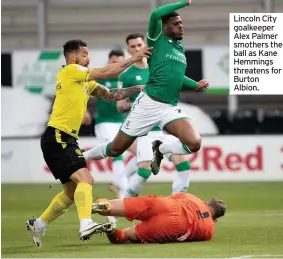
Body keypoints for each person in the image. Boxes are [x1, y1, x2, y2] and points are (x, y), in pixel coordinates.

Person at [26, 39, 151, 247]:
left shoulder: (83, 81)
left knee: (71, 192)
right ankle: (85, 224)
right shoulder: (70, 71)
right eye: (85, 54)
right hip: (58, 136)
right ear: (73, 56)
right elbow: (104, 73)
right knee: (86, 180)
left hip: (65, 138)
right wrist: (134, 59)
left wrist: (138, 88)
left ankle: (38, 224)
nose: (88, 58)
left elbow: (111, 94)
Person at [83, 0, 209, 176]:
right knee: (116, 149)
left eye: (181, 23)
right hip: (148, 105)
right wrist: (184, 2)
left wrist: (195, 84)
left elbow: (176, 76)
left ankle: (161, 149)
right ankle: (83, 156)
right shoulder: (156, 39)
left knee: (194, 143)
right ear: (164, 27)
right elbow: (155, 14)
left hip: (169, 107)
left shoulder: (179, 48)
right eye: (176, 23)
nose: (181, 26)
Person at [117, 33, 191, 197]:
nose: (137, 49)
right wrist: (140, 96)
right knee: (144, 172)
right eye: (133, 46)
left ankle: (176, 207)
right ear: (129, 50)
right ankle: (115, 213)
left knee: (184, 165)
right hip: (146, 130)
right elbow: (120, 106)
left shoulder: (158, 66)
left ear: (144, 45)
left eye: (139, 45)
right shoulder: (126, 75)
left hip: (166, 127)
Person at [91, 193, 226, 244]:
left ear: (206, 202)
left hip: (166, 205)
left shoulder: (194, 198)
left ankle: (103, 205)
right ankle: (111, 229)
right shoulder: (209, 229)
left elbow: (172, 197)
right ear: (215, 218)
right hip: (175, 226)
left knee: (112, 205)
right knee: (125, 236)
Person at [94, 49, 135, 198]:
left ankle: (119, 179)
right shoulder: (101, 78)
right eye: (114, 62)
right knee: (116, 153)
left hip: (123, 123)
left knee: (142, 154)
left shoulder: (127, 78)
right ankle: (124, 197)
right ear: (108, 62)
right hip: (105, 123)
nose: (117, 65)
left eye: (120, 62)